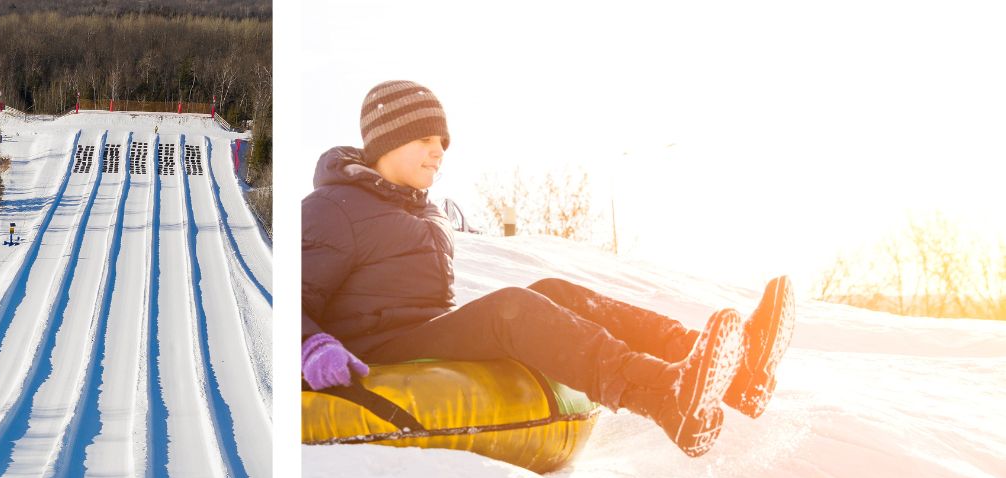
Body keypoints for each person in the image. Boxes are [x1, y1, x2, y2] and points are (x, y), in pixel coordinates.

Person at [302, 80, 793, 457]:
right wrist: (311, 344)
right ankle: (664, 392)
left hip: (424, 335)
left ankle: (730, 369)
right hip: (371, 352)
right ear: (387, 141)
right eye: (426, 139)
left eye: (444, 142)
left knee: (554, 290)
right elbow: (291, 297)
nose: (439, 151)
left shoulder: (420, 208)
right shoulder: (333, 207)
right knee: (509, 310)